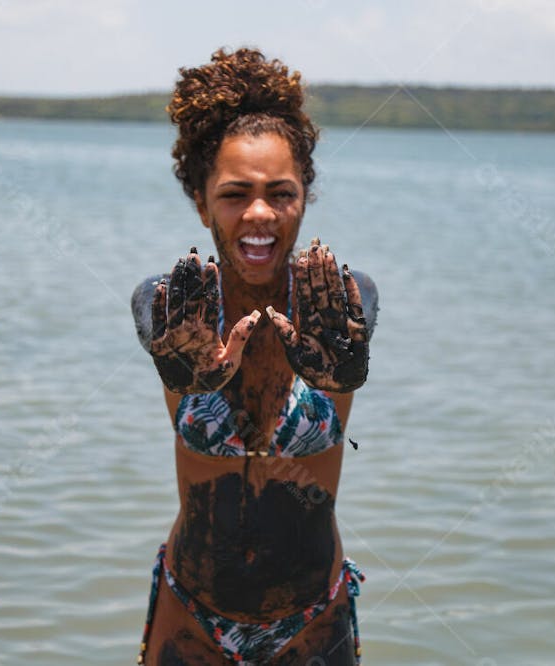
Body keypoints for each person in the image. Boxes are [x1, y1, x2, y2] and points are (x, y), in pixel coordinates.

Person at [131, 47, 378, 665]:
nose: (260, 213)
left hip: (311, 622)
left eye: (281, 192)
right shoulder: (174, 312)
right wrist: (180, 370)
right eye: (236, 193)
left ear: (305, 196)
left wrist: (345, 369)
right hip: (189, 616)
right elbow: (154, 331)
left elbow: (358, 335)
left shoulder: (340, 306)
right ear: (200, 199)